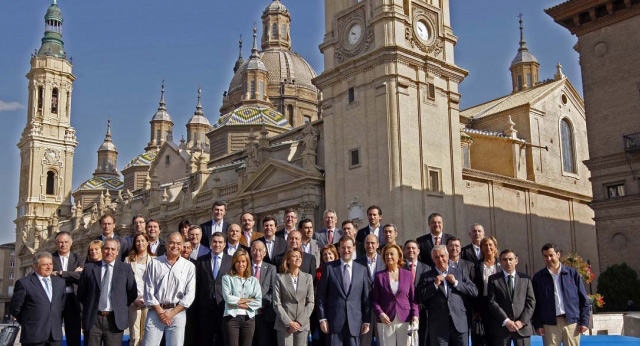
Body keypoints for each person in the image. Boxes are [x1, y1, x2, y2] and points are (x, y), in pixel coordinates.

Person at [77, 238, 137, 346]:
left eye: (113, 249)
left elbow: (132, 293)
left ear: (117, 252)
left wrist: (120, 305)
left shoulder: (125, 269)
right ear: (102, 250)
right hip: (93, 319)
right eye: (107, 248)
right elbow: (81, 293)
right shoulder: (89, 268)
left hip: (114, 320)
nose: (109, 252)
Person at [142, 232, 196, 346]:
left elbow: (190, 294)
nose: (175, 246)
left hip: (178, 313)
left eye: (178, 243)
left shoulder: (189, 266)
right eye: (171, 243)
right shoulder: (155, 263)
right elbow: (148, 289)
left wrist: (172, 313)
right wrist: (161, 312)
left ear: (182, 246)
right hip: (156, 312)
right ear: (166, 244)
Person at [418, 245, 478, 346]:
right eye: (436, 257)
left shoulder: (459, 273)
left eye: (442, 256)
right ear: (433, 259)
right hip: (438, 325)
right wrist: (434, 285)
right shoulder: (426, 276)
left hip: (459, 324)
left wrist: (456, 283)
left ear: (447, 256)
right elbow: (419, 296)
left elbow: (474, 291)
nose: (440, 259)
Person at [532, 243, 590, 346]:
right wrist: (537, 324)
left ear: (558, 255)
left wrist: (584, 321)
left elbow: (583, 299)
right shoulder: (538, 278)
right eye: (545, 256)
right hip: (549, 324)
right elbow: (535, 303)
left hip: (571, 322)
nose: (549, 259)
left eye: (551, 255)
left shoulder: (572, 274)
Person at [317, 236, 371, 346]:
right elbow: (321, 296)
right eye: (343, 247)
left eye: (349, 247)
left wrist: (366, 320)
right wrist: (322, 318)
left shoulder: (362, 270)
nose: (346, 250)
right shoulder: (329, 268)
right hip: (334, 322)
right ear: (338, 249)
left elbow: (366, 298)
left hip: (354, 323)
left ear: (354, 248)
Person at [10, 252, 66, 346]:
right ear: (35, 266)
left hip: (55, 337)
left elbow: (61, 305)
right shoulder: (24, 283)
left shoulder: (60, 282)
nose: (49, 267)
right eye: (45, 264)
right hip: (33, 336)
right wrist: (29, 322)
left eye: (50, 264)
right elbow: (15, 308)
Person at [372, 244, 419, 346]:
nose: (389, 257)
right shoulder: (379, 276)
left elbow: (413, 299)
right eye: (386, 255)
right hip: (386, 319)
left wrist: (415, 316)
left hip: (405, 319)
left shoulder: (408, 274)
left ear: (399, 256)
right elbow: (375, 300)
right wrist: (380, 313)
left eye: (391, 254)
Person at [487, 249, 535, 346]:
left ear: (516, 260)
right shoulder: (493, 280)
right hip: (502, 328)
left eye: (510, 259)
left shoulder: (525, 279)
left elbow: (531, 302)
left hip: (522, 328)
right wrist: (506, 321)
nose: (508, 262)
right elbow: (492, 302)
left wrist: (522, 321)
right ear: (500, 262)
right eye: (504, 259)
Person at [194, 232, 232, 346]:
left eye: (220, 242)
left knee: (222, 337)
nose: (217, 244)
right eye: (215, 241)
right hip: (205, 306)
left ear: (225, 244)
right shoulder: (201, 261)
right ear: (210, 243)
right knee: (205, 338)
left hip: (223, 305)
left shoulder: (231, 260)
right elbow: (198, 284)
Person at [273, 248, 315, 346]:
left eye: (300, 257)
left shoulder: (308, 278)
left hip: (302, 324)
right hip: (284, 325)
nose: (298, 258)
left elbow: (310, 303)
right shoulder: (279, 278)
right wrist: (289, 323)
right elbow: (276, 303)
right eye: (295, 256)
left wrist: (299, 322)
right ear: (287, 260)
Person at [222, 249, 263, 346]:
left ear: (247, 263)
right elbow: (228, 299)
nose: (241, 264)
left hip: (249, 319)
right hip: (231, 319)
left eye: (243, 261)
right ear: (234, 263)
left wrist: (236, 303)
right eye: (238, 261)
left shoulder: (254, 281)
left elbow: (258, 302)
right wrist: (249, 300)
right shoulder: (227, 278)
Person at [51, 231, 83, 346]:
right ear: (56, 244)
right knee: (54, 334)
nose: (63, 245)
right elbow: (49, 276)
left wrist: (60, 273)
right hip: (56, 299)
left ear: (71, 243)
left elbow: (81, 276)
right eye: (60, 242)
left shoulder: (78, 258)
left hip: (73, 300)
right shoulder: (50, 258)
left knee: (74, 334)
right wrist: (72, 274)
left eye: (66, 242)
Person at [355, 234, 386, 346]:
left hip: (382, 307)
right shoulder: (357, 263)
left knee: (382, 341)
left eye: (373, 243)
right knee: (364, 341)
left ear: (378, 245)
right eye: (367, 243)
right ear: (364, 245)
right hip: (364, 308)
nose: (370, 245)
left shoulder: (385, 262)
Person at [125, 232, 153, 346]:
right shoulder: (128, 260)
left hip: (149, 300)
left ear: (147, 242)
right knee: (134, 336)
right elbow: (125, 282)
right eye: (137, 241)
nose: (140, 243)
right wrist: (133, 298)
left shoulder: (155, 260)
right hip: (134, 301)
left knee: (146, 335)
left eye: (142, 240)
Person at [473, 236, 502, 344]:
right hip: (484, 304)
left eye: (490, 245)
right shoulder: (477, 265)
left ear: (495, 247)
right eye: (485, 245)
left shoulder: (502, 263)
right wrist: (477, 309)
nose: (488, 247)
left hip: (500, 303)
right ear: (481, 248)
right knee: (488, 334)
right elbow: (475, 286)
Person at [403, 240, 431, 346]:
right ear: (404, 251)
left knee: (422, 340)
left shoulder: (427, 268)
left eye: (413, 248)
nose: (411, 250)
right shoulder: (399, 267)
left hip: (423, 311)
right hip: (404, 311)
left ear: (418, 251)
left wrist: (420, 306)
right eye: (408, 248)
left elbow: (429, 290)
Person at [250, 240, 277, 346]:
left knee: (264, 341)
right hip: (248, 313)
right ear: (251, 251)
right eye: (255, 250)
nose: (257, 253)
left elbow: (273, 289)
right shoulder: (245, 267)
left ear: (265, 253)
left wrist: (259, 304)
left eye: (260, 250)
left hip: (265, 313)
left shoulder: (271, 268)